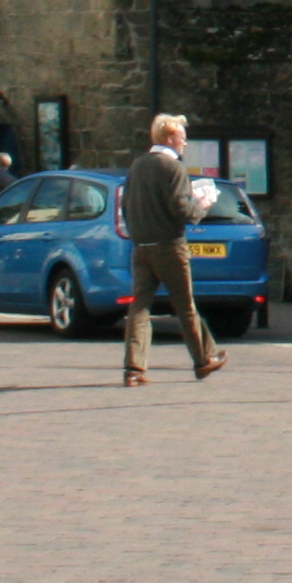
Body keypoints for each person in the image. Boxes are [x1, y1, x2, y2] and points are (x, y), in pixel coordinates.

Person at [119, 114, 225, 388]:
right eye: (182, 137)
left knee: (140, 308)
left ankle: (133, 369)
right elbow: (182, 209)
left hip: (141, 247)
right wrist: (202, 205)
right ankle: (203, 360)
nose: (185, 143)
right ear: (169, 138)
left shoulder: (138, 165)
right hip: (169, 246)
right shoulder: (173, 167)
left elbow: (126, 206)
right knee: (185, 306)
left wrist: (137, 234)